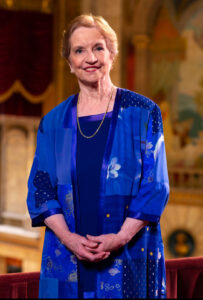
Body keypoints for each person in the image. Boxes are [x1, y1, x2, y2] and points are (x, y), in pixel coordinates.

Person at [26, 14, 169, 299]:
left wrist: (119, 238)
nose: (89, 58)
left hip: (128, 255)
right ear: (69, 62)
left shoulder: (143, 112)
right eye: (79, 50)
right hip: (67, 257)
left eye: (98, 48)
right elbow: (40, 190)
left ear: (112, 53)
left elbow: (155, 187)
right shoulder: (53, 123)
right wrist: (69, 240)